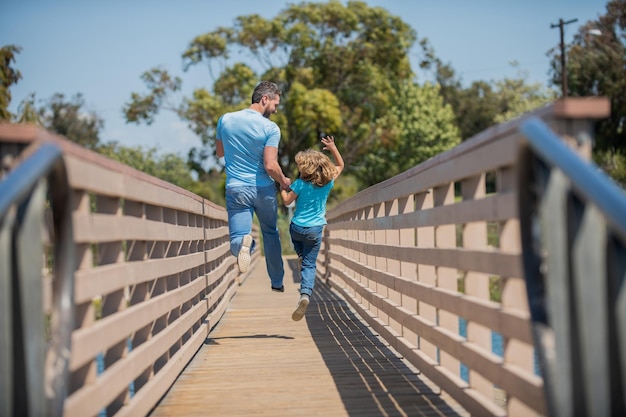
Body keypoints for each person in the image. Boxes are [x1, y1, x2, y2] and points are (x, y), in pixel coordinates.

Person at [216, 80, 292, 292]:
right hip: (264, 190)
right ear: (264, 99)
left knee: (237, 239)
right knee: (270, 232)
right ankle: (277, 282)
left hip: (237, 188)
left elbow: (220, 153)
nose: (275, 111)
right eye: (275, 105)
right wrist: (284, 180)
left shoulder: (225, 120)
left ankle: (244, 245)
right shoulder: (270, 128)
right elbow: (270, 165)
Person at [280, 135, 344, 321]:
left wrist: (283, 186)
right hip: (315, 229)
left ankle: (299, 254)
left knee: (297, 240)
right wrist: (332, 147)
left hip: (298, 228)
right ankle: (305, 294)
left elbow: (286, 202)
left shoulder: (299, 184)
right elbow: (340, 165)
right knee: (309, 264)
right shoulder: (329, 181)